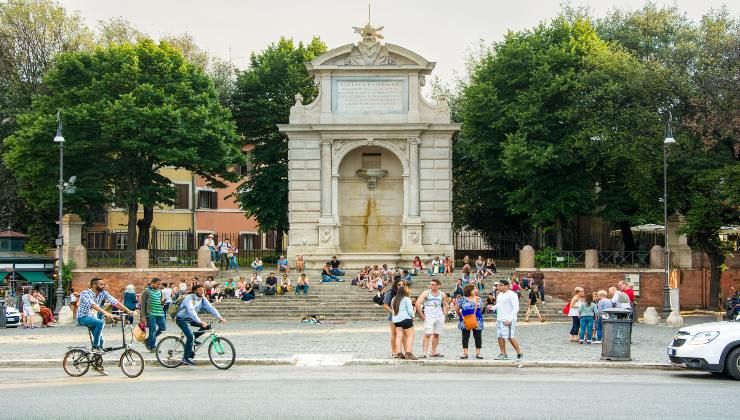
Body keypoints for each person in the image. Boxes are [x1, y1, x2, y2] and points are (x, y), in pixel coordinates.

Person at [76, 278, 134, 374]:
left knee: (101, 341)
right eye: (101, 284)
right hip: (83, 317)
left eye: (104, 284)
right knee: (100, 323)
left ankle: (97, 365)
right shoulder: (85, 293)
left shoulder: (103, 293)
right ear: (94, 285)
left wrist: (128, 311)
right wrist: (106, 313)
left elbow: (115, 302)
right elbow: (93, 305)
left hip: (92, 318)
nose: (104, 286)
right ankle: (95, 347)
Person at [174, 284, 226, 366]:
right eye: (200, 290)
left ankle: (193, 338)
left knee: (207, 326)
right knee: (190, 336)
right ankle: (186, 358)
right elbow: (191, 310)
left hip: (191, 318)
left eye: (203, 290)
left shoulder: (202, 298)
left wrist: (219, 317)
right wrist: (200, 321)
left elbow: (210, 307)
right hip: (181, 318)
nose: (202, 292)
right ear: (195, 291)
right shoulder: (189, 298)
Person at [416, 278, 448, 358]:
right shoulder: (426, 293)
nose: (431, 286)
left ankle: (433, 352)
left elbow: (445, 304)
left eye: (433, 284)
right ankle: (424, 353)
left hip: (439, 316)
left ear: (438, 286)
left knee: (436, 334)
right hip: (429, 316)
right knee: (428, 334)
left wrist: (445, 314)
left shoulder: (442, 294)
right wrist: (422, 314)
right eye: (430, 284)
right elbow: (417, 303)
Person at [492, 280, 523, 360]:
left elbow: (516, 307)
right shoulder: (500, 294)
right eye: (498, 285)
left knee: (510, 336)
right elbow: (499, 305)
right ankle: (503, 353)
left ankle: (519, 353)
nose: (499, 287)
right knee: (500, 336)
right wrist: (492, 307)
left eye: (501, 285)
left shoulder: (512, 294)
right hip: (500, 318)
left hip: (508, 319)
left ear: (506, 286)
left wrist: (510, 319)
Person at [457, 284, 484, 359]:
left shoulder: (479, 299)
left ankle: (478, 353)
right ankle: (465, 353)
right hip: (465, 320)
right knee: (465, 336)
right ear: (469, 290)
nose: (476, 290)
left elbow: (481, 309)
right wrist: (462, 317)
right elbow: (457, 310)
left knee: (478, 336)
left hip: (477, 320)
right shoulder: (462, 299)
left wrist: (475, 315)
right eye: (474, 289)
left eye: (476, 288)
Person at [391, 285, 417, 360]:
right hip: (405, 319)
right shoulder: (406, 299)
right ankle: (408, 353)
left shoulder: (393, 299)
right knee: (410, 335)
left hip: (396, 320)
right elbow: (410, 312)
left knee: (399, 336)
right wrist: (413, 313)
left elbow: (393, 310)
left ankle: (399, 353)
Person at [140, 278, 166, 352]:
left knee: (163, 327)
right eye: (158, 284)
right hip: (151, 314)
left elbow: (159, 301)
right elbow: (143, 304)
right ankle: (152, 346)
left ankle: (148, 340)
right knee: (153, 330)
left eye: (160, 284)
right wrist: (143, 316)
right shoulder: (146, 291)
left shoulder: (159, 291)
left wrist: (162, 303)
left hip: (160, 313)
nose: (159, 285)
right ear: (152, 283)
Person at [384, 278, 406, 358]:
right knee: (394, 333)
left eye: (403, 285)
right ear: (395, 285)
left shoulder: (405, 293)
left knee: (403, 334)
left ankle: (404, 351)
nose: (401, 286)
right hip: (393, 317)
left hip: (403, 317)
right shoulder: (390, 293)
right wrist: (393, 312)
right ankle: (394, 351)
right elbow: (385, 305)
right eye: (399, 285)